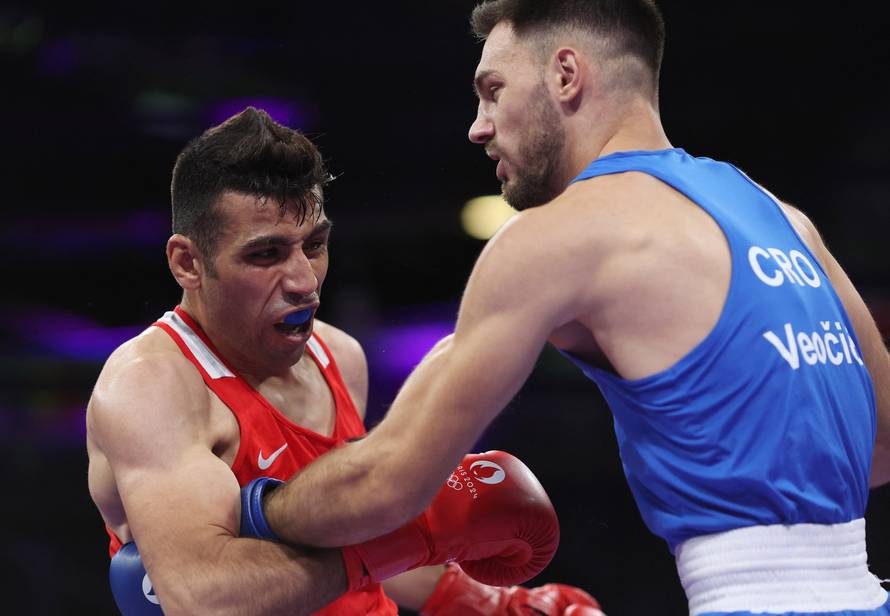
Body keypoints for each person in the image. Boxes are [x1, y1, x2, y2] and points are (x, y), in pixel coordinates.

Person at [237, 2, 890, 614]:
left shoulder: (559, 234)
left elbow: (384, 484)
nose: (478, 125)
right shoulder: (783, 219)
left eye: (493, 90)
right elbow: (880, 448)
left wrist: (262, 509)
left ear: (566, 75)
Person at [86, 106, 605, 615]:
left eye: (314, 245)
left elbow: (353, 541)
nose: (304, 281)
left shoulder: (338, 355)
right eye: (266, 254)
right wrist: (414, 536)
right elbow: (203, 599)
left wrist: (487, 602)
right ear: (188, 263)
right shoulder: (152, 385)